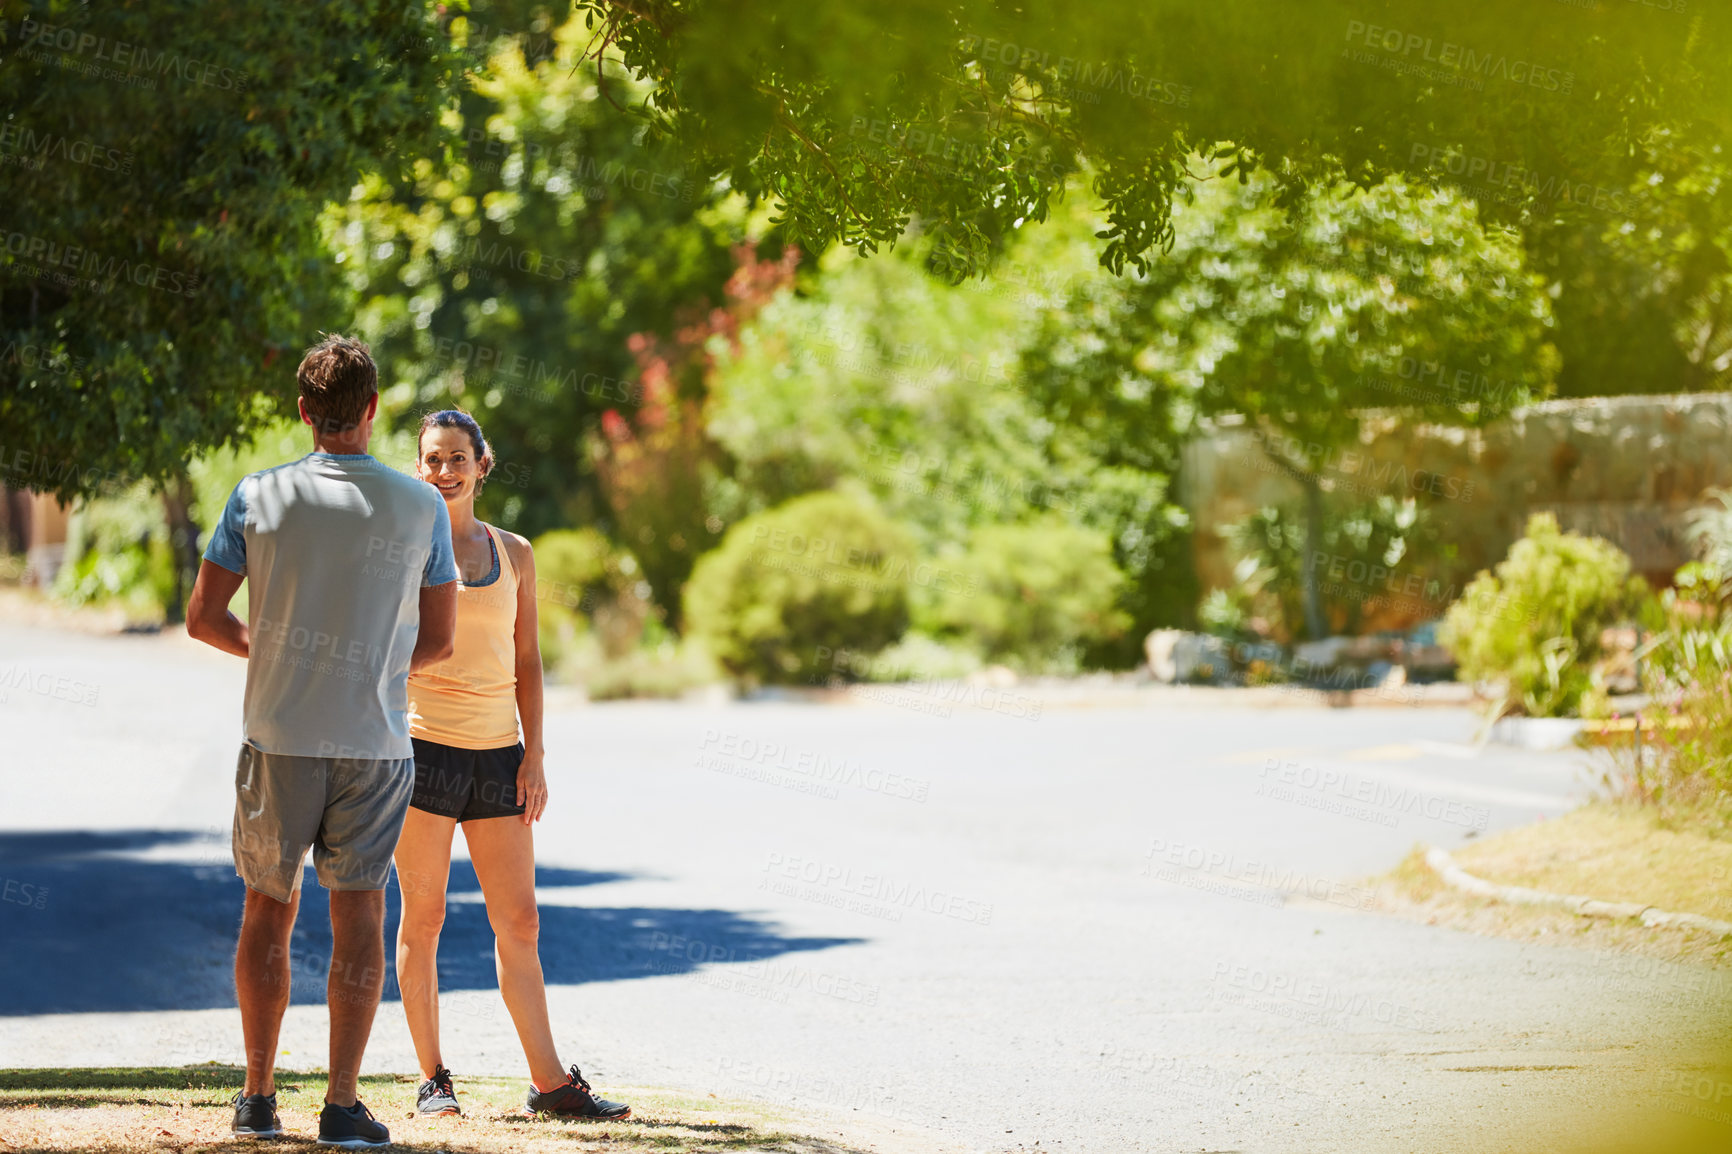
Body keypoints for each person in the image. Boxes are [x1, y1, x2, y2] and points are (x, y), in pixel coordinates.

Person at [187, 336, 459, 1147]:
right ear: (374, 408)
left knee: (265, 912)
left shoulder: (257, 496)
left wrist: (266, 650)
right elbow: (439, 641)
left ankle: (257, 1099)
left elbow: (202, 618)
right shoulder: (421, 507)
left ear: (304, 412)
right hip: (374, 743)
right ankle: (342, 1106)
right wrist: (370, 671)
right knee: (360, 918)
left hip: (278, 738)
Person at [392, 409, 630, 1121]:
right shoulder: (402, 549)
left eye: (457, 457)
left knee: (519, 922)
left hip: (500, 757)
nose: (444, 471)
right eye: (432, 459)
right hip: (423, 752)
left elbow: (527, 661)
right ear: (418, 468)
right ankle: (434, 1079)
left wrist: (536, 755)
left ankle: (551, 1084)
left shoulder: (515, 553)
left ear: (481, 464)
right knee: (424, 920)